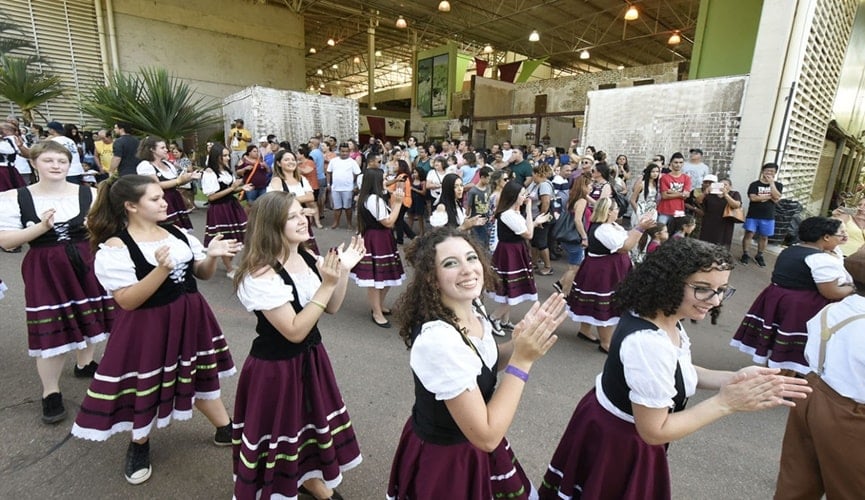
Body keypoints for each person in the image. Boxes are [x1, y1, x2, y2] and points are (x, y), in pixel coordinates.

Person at [540, 238, 811, 500]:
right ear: (668, 283)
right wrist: (726, 403)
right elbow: (654, 430)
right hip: (619, 443)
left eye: (721, 289)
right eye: (703, 288)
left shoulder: (662, 315)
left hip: (608, 425)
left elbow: (676, 368)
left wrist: (733, 378)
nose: (715, 300)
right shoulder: (648, 342)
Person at [72, 175, 239, 484]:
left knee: (198, 373)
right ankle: (139, 444)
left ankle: (225, 427)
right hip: (147, 327)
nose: (164, 202)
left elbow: (200, 274)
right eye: (154, 198)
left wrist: (213, 256)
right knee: (145, 383)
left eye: (162, 196)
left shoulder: (177, 232)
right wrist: (162, 269)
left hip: (191, 317)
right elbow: (128, 300)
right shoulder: (115, 247)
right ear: (131, 206)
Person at [387, 227, 567, 499]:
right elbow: (487, 435)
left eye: (471, 258)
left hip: (472, 448)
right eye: (450, 263)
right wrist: (523, 360)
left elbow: (485, 362)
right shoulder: (438, 341)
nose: (468, 269)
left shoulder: (471, 307)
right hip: (447, 461)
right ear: (431, 279)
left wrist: (521, 343)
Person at [231, 191, 365, 500]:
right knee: (281, 430)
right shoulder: (260, 273)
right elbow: (293, 331)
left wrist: (341, 271)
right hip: (276, 369)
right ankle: (282, 485)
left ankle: (308, 479)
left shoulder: (306, 255)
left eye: (301, 212)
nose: (303, 218)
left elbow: (330, 308)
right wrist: (328, 282)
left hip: (311, 359)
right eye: (292, 216)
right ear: (271, 225)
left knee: (308, 423)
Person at [0, 141, 114, 424]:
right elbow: (5, 240)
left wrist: (97, 231)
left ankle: (85, 362)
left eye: (61, 161)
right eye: (48, 160)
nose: (55, 166)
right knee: (52, 328)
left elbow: (109, 228)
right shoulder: (16, 197)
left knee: (89, 315)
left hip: (87, 262)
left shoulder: (89, 193)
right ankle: (50, 392)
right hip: (44, 268)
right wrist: (40, 228)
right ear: (35, 163)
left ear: (69, 164)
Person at [774, 247, 865, 499]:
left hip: (813, 392)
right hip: (852, 414)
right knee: (853, 489)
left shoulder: (834, 309)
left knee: (795, 484)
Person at [731, 217, 855, 374]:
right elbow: (831, 292)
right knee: (792, 351)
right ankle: (781, 382)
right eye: (839, 235)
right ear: (826, 237)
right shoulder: (820, 259)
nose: (840, 239)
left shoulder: (791, 250)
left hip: (779, 300)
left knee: (778, 345)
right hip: (801, 308)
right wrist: (852, 289)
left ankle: (774, 377)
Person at [567, 198, 655, 351]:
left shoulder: (611, 226)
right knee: (604, 304)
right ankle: (605, 342)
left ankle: (584, 330)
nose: (618, 211)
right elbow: (626, 246)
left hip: (607, 268)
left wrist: (640, 226)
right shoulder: (602, 230)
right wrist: (640, 228)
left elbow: (627, 236)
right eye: (615, 209)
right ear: (608, 211)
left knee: (593, 300)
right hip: (603, 270)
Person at [488, 181, 551, 333]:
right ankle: (493, 318)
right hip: (510, 252)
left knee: (510, 288)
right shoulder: (508, 214)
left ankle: (504, 320)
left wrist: (535, 222)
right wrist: (530, 210)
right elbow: (528, 234)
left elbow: (525, 229)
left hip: (514, 251)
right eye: (522, 194)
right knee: (515, 289)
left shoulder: (512, 213)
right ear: (513, 196)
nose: (525, 197)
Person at [351, 168, 406, 328]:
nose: (385, 182)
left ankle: (379, 305)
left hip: (382, 238)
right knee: (376, 279)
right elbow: (388, 222)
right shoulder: (373, 199)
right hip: (377, 238)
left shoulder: (373, 198)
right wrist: (398, 204)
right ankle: (376, 311)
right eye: (382, 179)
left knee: (386, 275)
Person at [201, 143, 250, 277]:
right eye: (224, 155)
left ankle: (230, 263)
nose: (228, 158)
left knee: (237, 237)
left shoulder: (226, 170)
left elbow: (230, 190)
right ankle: (229, 268)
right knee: (226, 238)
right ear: (216, 157)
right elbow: (212, 197)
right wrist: (232, 188)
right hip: (220, 209)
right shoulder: (209, 173)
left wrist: (242, 188)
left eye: (228, 155)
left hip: (231, 206)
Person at [135, 136, 198, 229]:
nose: (166, 150)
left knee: (180, 230)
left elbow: (175, 182)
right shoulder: (145, 165)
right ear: (152, 149)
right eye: (162, 148)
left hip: (174, 199)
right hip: (160, 200)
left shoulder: (167, 164)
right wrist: (179, 180)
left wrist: (188, 178)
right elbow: (156, 185)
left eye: (165, 147)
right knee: (167, 229)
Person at [267, 149, 320, 255]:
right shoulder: (277, 181)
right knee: (290, 250)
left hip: (302, 219)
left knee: (307, 249)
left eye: (293, 159)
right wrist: (299, 208)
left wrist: (290, 200)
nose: (291, 162)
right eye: (286, 160)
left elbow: (311, 197)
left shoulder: (301, 179)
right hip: (287, 221)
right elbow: (278, 201)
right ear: (278, 163)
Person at [553, 174, 590, 296]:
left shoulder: (572, 198)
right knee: (574, 268)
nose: (591, 188)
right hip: (574, 237)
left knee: (573, 265)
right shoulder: (582, 201)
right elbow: (578, 220)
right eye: (589, 185)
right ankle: (565, 292)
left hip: (566, 236)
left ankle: (560, 283)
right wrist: (584, 237)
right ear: (584, 186)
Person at [741, 162, 783, 267]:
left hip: (768, 215)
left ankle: (759, 255)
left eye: (772, 171)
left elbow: (777, 197)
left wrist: (771, 184)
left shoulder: (778, 185)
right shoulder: (754, 184)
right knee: (749, 234)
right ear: (763, 171)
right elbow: (753, 198)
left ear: (775, 173)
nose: (769, 173)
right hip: (753, 214)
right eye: (767, 170)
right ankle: (745, 254)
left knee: (764, 237)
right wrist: (770, 197)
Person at [526, 164, 555, 276]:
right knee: (534, 242)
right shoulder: (535, 184)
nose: (532, 177)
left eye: (533, 175)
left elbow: (546, 202)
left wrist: (541, 218)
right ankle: (533, 263)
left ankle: (548, 266)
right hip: (533, 216)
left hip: (541, 218)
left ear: (538, 174)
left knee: (541, 242)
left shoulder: (544, 185)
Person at [699, 177, 741, 248]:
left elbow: (736, 205)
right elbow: (698, 201)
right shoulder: (711, 194)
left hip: (725, 224)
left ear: (730, 187)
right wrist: (704, 193)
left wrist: (726, 195)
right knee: (705, 243)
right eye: (721, 184)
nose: (723, 186)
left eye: (725, 185)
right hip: (709, 222)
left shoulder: (734, 194)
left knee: (721, 245)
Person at [326, 143, 361, 230]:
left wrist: (354, 184)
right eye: (342, 151)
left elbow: (357, 173)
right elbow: (328, 172)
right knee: (337, 207)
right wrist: (328, 184)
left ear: (349, 152)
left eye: (346, 151)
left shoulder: (352, 162)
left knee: (348, 207)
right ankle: (336, 222)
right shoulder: (333, 161)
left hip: (348, 189)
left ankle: (349, 224)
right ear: (339, 151)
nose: (344, 153)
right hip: (335, 188)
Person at [656, 152, 691, 225]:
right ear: (671, 163)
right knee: (660, 232)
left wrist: (671, 191)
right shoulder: (664, 177)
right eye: (676, 162)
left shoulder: (686, 178)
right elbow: (664, 196)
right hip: (664, 210)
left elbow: (687, 195)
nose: (678, 164)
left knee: (677, 235)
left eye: (681, 162)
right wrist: (681, 194)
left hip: (679, 211)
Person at [466, 166, 493, 247]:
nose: (490, 181)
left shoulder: (488, 187)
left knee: (487, 241)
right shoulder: (473, 191)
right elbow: (469, 207)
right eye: (488, 178)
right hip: (476, 220)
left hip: (487, 218)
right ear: (482, 177)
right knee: (478, 242)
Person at [406, 163, 427, 238]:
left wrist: (414, 189)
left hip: (419, 200)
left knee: (420, 217)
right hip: (412, 200)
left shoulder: (423, 182)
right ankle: (409, 231)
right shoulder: (412, 180)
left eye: (415, 172)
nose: (414, 174)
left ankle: (422, 231)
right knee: (410, 216)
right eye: (413, 172)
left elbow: (424, 192)